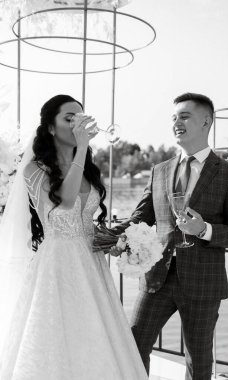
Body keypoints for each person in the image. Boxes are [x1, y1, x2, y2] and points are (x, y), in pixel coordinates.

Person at [0, 95, 148, 380]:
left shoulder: (89, 171)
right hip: (57, 267)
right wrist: (82, 149)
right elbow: (66, 202)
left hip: (92, 265)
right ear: (51, 128)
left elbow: (85, 222)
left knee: (96, 332)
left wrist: (112, 242)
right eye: (69, 118)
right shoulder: (35, 170)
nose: (77, 123)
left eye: (80, 117)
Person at [110, 93, 228, 380]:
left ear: (206, 122)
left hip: (202, 283)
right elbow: (139, 218)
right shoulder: (159, 170)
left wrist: (203, 230)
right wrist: (103, 234)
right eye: (173, 118)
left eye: (184, 116)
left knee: (198, 361)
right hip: (157, 280)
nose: (177, 122)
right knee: (133, 346)